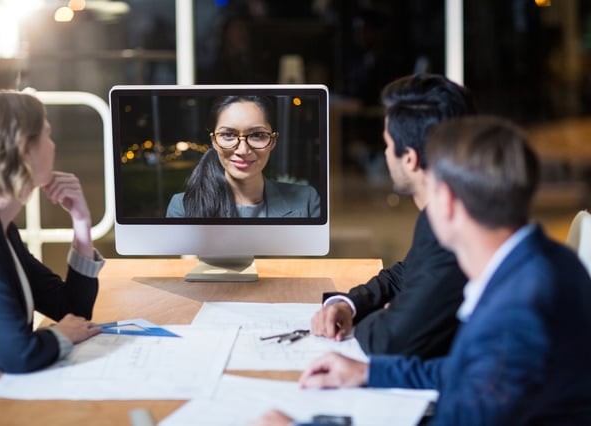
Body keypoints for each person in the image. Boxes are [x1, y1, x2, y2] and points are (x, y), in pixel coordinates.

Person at [252, 116, 591, 426]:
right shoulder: (548, 260)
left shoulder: (515, 312)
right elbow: (468, 372)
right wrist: (371, 372)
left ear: (446, 203)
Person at [0, 91, 105, 421]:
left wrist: (81, 222)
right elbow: (18, 354)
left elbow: (72, 311)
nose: (53, 145)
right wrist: (61, 333)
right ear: (24, 149)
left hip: (5, 393)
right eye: (47, 134)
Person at [311, 73, 474, 358]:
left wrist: (387, 316)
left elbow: (390, 341)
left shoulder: (455, 233)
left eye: (387, 145)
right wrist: (349, 304)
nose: (385, 154)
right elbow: (404, 274)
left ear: (409, 159)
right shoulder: (446, 211)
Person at [166, 95, 320, 218]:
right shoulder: (183, 206)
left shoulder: (306, 200)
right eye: (228, 135)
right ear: (214, 141)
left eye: (257, 135)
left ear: (273, 141)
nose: (243, 150)